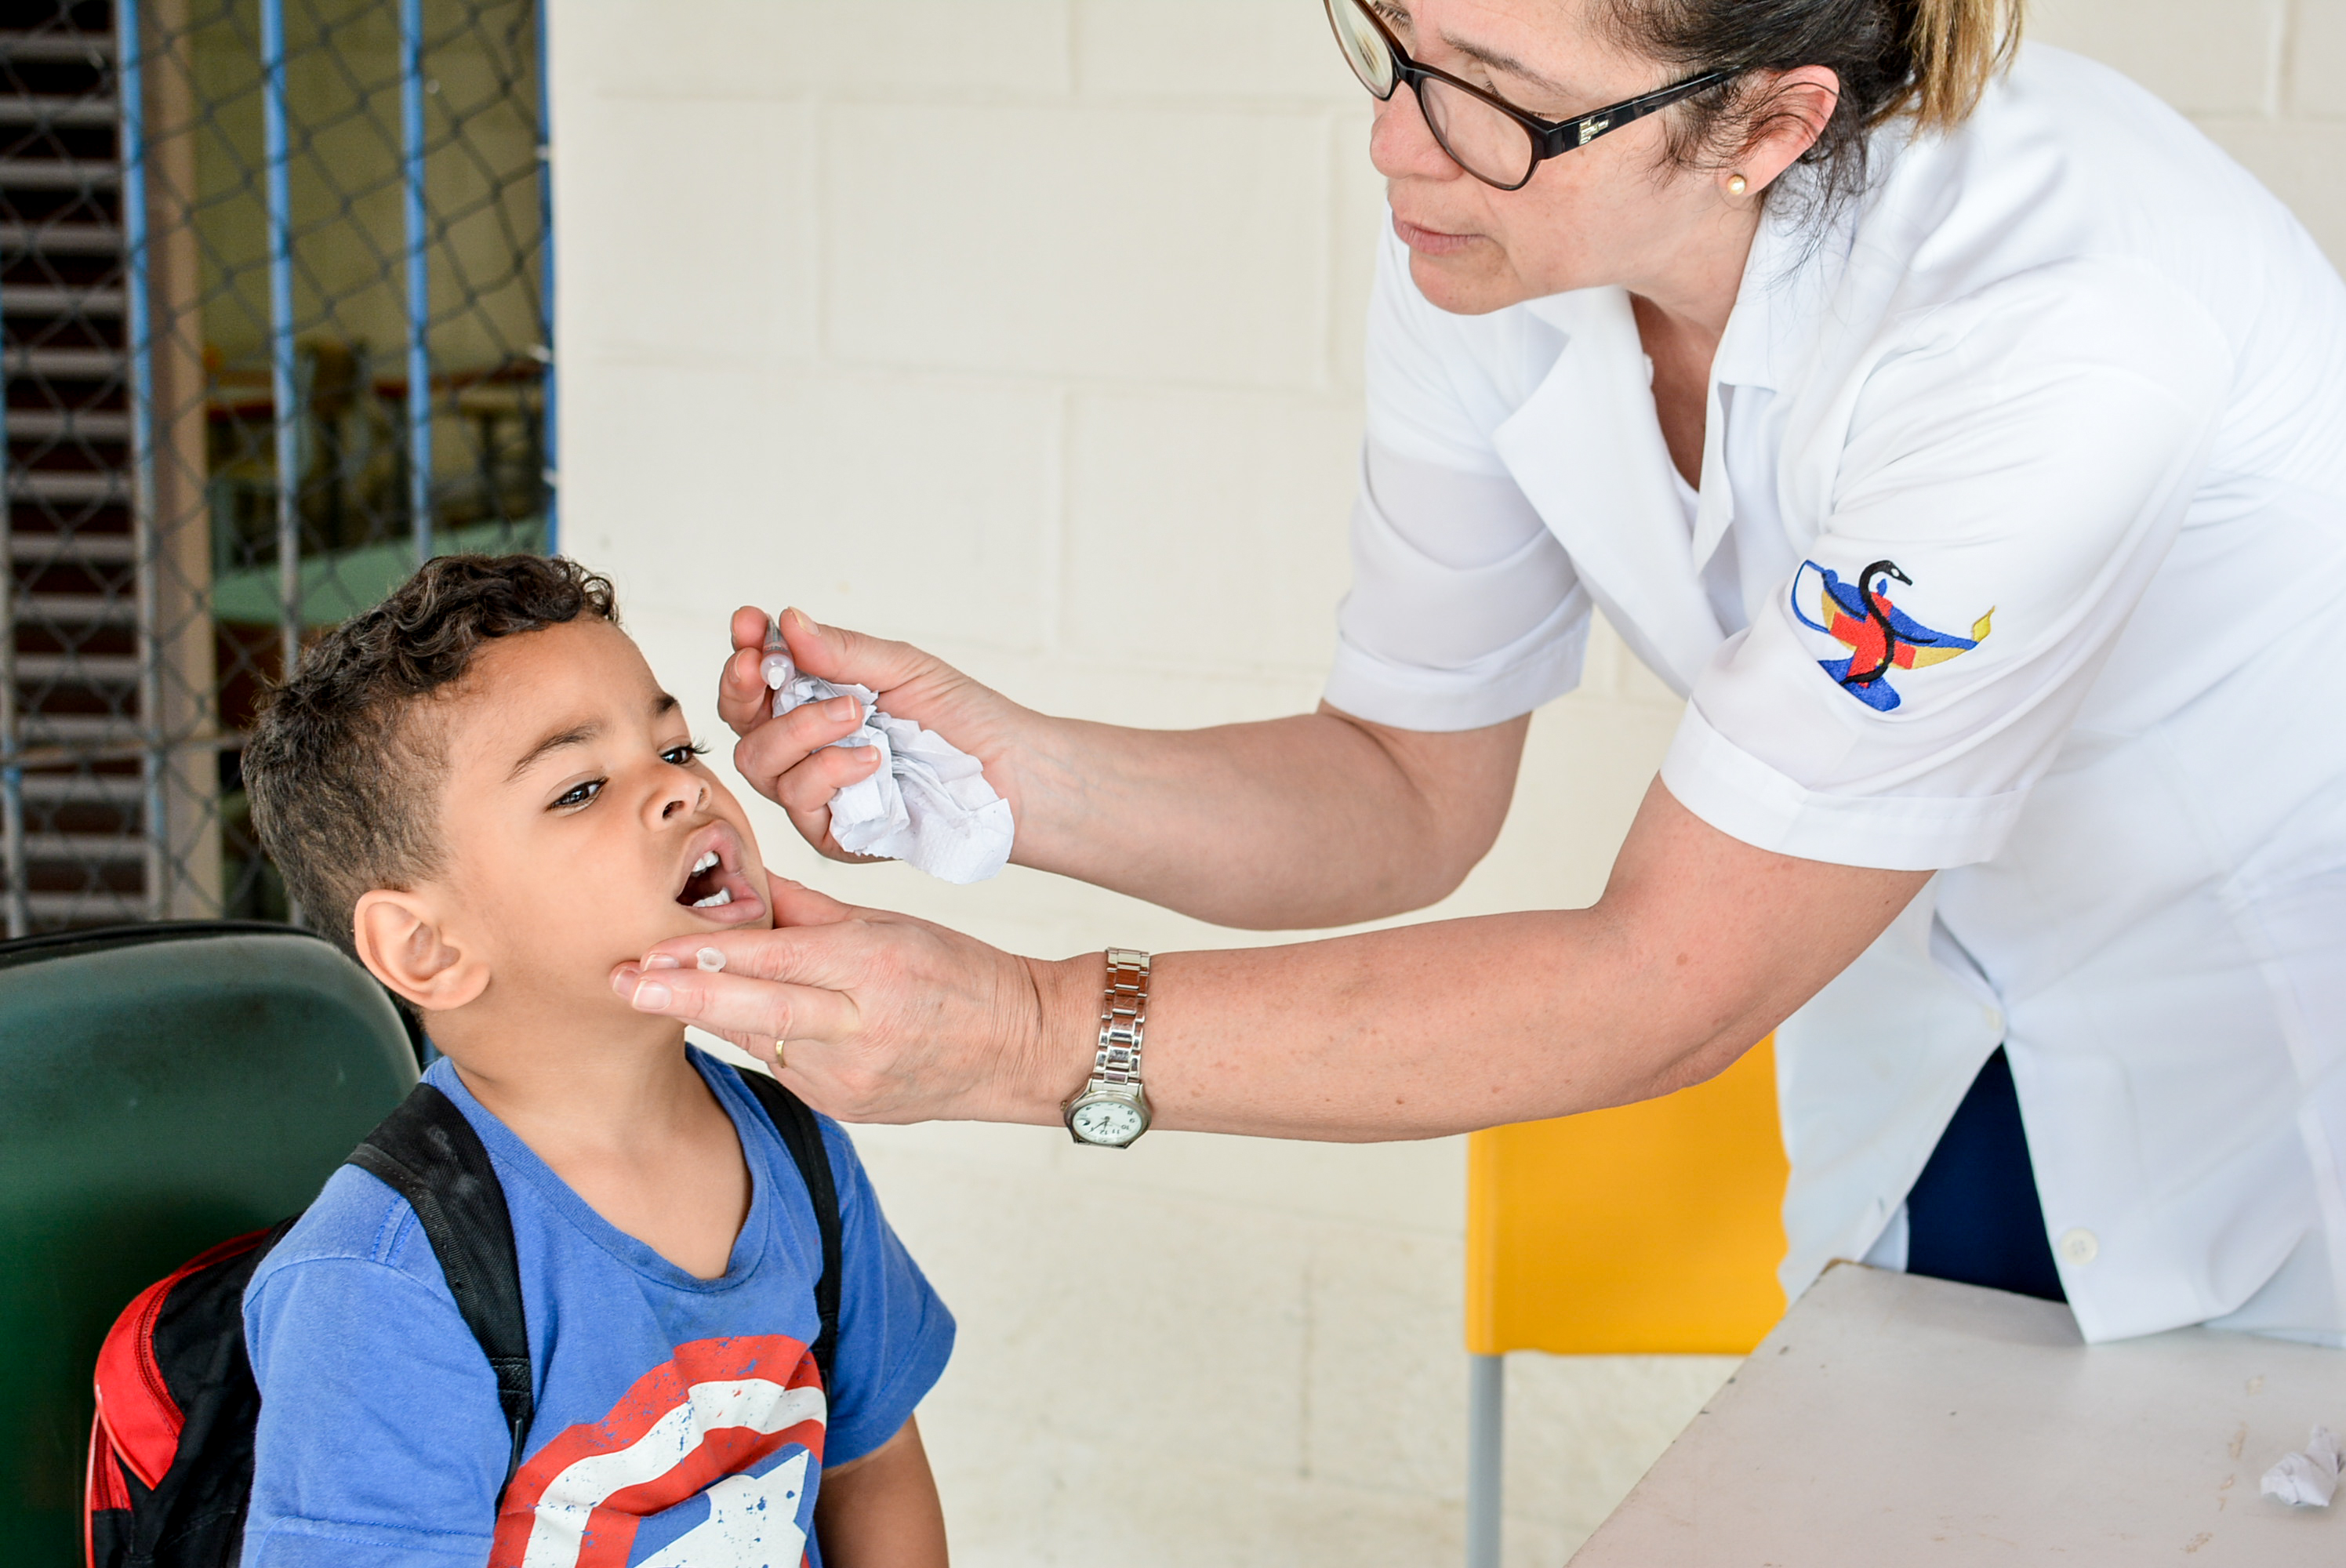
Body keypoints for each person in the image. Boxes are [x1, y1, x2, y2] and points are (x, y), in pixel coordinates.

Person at [618, 0, 2346, 1348]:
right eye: (1395, 44)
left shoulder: (2051, 327)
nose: (1394, 142)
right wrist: (1009, 769)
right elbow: (1398, 787)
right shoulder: (1506, 227)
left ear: (1765, 120)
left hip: (2260, 1089)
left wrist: (1024, 1034)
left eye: (1489, 91)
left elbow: (1665, 975)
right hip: (1928, 1057)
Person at [238, 556, 954, 1566]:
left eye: (675, 745)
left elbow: (869, 1466)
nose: (678, 789)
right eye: (579, 788)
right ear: (426, 949)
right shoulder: (382, 1285)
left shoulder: (800, 1153)